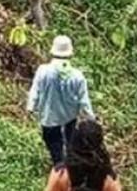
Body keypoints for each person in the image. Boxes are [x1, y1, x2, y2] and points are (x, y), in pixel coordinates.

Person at [27, 35, 94, 166]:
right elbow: (84, 100)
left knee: (53, 142)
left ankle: (58, 164)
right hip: (70, 116)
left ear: (53, 51)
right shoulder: (77, 75)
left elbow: (35, 90)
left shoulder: (43, 71)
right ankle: (70, 163)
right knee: (70, 140)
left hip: (49, 116)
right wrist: (91, 117)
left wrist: (31, 106)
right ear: (70, 53)